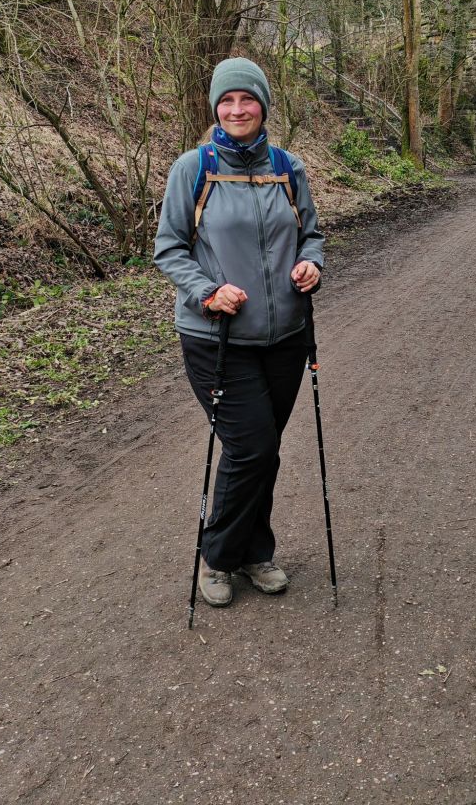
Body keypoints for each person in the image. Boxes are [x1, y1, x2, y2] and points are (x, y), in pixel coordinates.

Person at [154, 57, 325, 608]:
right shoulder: (194, 168)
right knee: (251, 446)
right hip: (216, 337)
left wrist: (312, 265)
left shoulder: (287, 167)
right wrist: (208, 290)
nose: (236, 110)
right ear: (214, 109)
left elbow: (312, 236)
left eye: (246, 100)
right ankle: (219, 556)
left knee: (265, 450)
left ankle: (256, 552)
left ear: (263, 105)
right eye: (226, 102)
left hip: (285, 336)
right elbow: (169, 248)